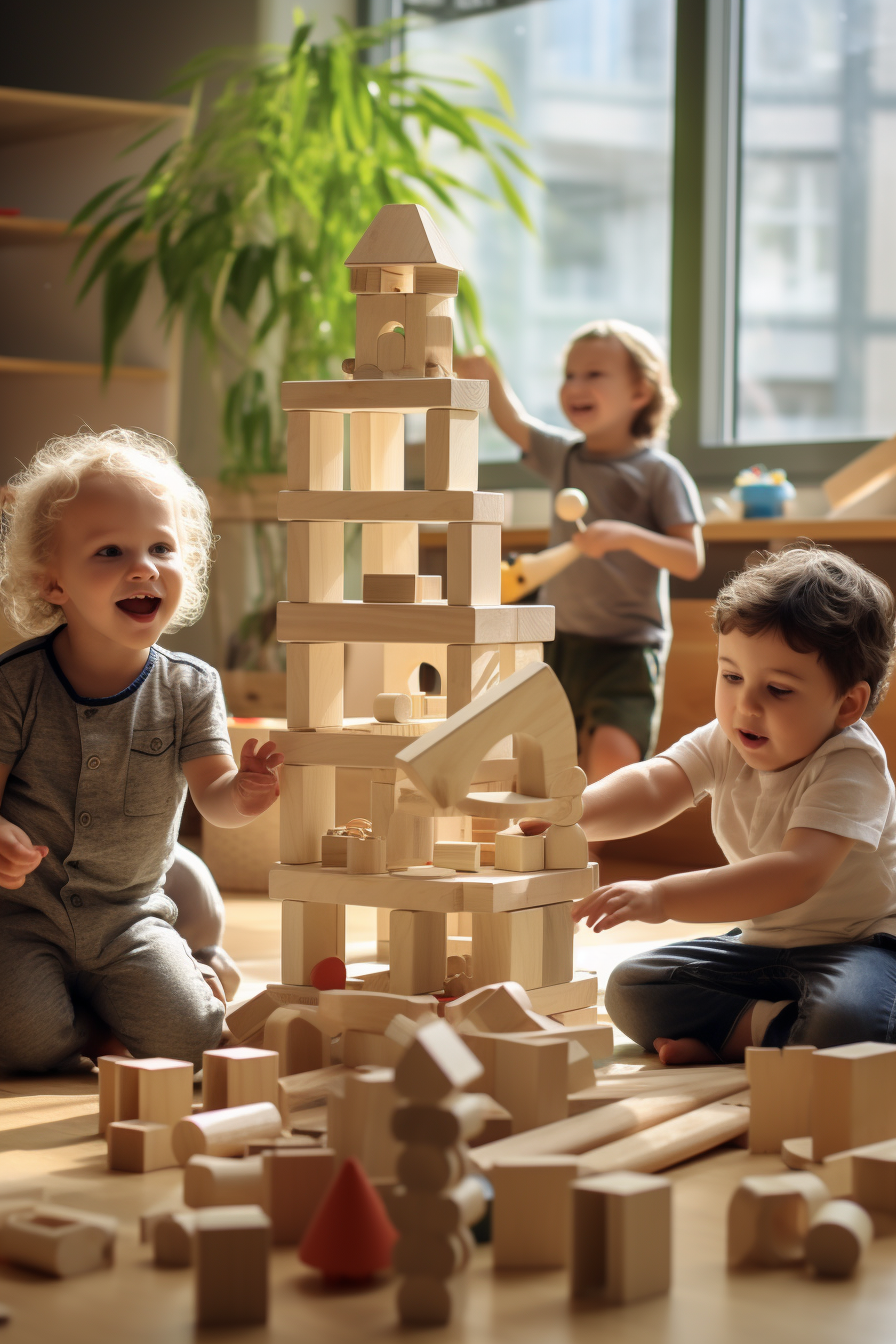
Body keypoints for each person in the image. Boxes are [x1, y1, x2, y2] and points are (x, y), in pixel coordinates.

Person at [0, 428, 283, 1071]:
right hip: (23, 920)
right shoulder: (15, 685)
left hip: (130, 921)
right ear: (53, 584)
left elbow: (217, 800)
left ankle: (188, 968)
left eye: (162, 546)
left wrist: (244, 791)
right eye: (109, 551)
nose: (143, 566)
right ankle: (97, 1027)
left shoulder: (189, 686)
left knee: (193, 1044)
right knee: (22, 1041)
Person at [564, 546, 896, 1062]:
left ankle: (753, 1036)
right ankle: (769, 1034)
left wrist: (662, 898)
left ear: (847, 704)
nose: (746, 705)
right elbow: (657, 784)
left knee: (849, 1026)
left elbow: (796, 874)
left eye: (779, 689)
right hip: (761, 945)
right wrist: (570, 811)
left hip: (859, 946)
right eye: (732, 676)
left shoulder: (851, 763)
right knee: (632, 987)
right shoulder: (729, 736)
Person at [456, 321, 704, 785]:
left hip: (628, 648)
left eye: (594, 374)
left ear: (640, 392)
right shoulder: (565, 456)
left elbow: (690, 560)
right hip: (561, 638)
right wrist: (488, 377)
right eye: (570, 375)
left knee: (614, 765)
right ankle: (558, 850)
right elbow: (514, 422)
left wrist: (628, 535)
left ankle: (594, 853)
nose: (576, 386)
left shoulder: (660, 473)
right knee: (548, 760)